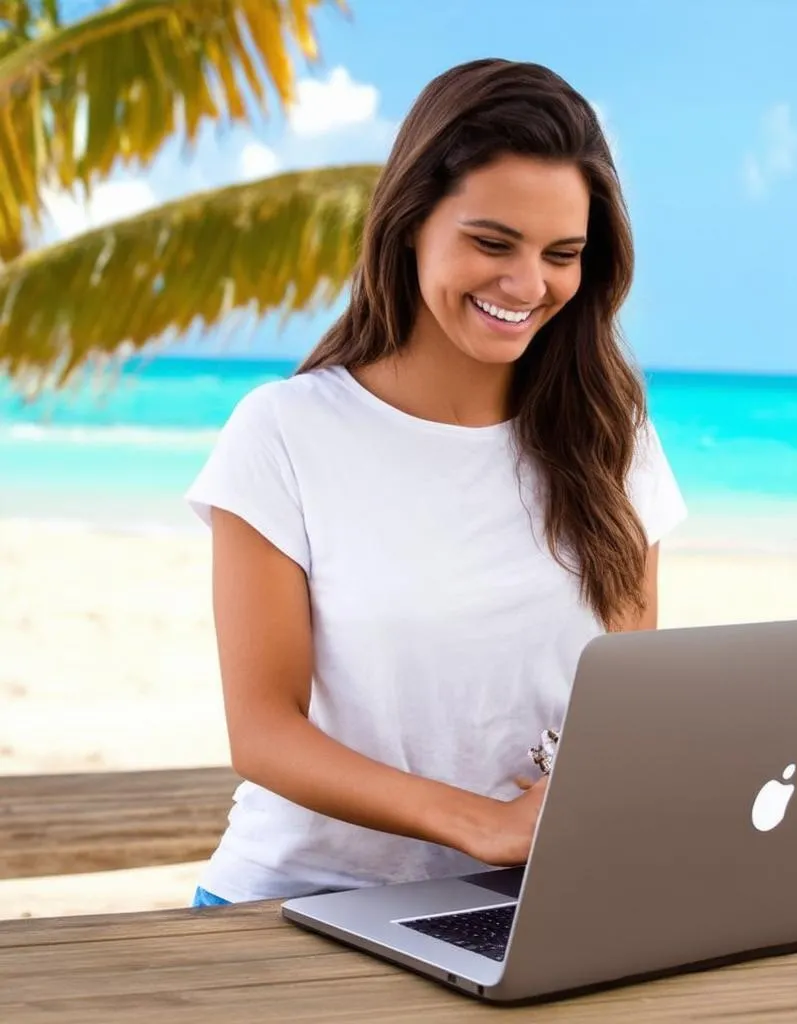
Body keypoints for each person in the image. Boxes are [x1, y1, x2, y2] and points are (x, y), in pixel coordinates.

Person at [184, 57, 687, 907]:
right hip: (295, 903)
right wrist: (477, 823)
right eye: (492, 243)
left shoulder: (611, 434)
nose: (527, 286)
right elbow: (264, 731)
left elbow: (627, 704)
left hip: (529, 908)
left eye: (561, 255)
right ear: (411, 222)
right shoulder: (284, 432)